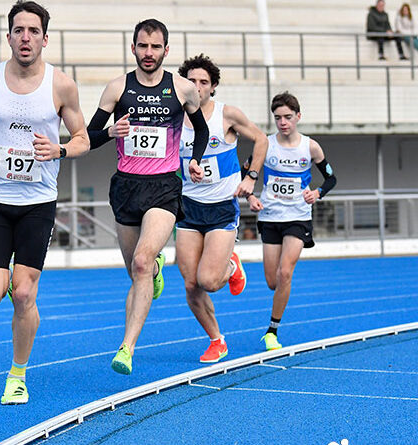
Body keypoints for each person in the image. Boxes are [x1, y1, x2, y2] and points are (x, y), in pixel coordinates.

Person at [0, 0, 89, 405]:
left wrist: (60, 151)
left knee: (23, 295)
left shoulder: (61, 86)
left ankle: (17, 374)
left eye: (33, 31)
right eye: (19, 30)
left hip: (38, 202)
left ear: (45, 39)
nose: (25, 37)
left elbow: (83, 139)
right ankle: (12, 283)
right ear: (8, 37)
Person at [87, 19, 207, 375]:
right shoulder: (117, 88)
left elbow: (200, 130)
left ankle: (126, 348)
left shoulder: (183, 89)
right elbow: (88, 136)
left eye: (155, 47)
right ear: (133, 48)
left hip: (164, 185)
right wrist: (110, 131)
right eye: (143, 46)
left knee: (140, 260)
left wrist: (196, 160)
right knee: (136, 270)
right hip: (126, 186)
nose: (149, 53)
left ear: (166, 50)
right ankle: (155, 270)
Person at [175, 54, 269, 363]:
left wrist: (251, 177)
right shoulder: (175, 120)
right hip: (189, 208)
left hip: (221, 208)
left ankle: (231, 266)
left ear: (213, 86)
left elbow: (261, 140)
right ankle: (217, 340)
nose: (198, 87)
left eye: (204, 82)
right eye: (192, 81)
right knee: (191, 284)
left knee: (209, 281)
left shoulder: (226, 115)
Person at [245, 92, 337, 351]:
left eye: (287, 117)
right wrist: (251, 196)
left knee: (285, 272)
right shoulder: (266, 145)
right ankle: (274, 315)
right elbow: (245, 174)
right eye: (278, 118)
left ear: (298, 116)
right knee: (273, 281)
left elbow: (331, 178)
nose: (283, 122)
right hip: (270, 216)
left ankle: (272, 331)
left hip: (298, 217)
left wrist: (317, 192)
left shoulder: (310, 147)